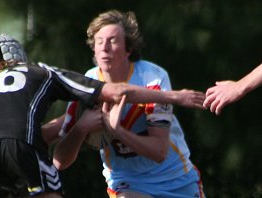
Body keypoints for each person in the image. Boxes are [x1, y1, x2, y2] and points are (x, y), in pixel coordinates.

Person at [0, 34, 205, 198]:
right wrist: (176, 97)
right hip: (21, 147)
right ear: (21, 56)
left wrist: (76, 125)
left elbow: (22, 131)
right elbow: (118, 91)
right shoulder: (40, 72)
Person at [53, 10, 205, 198]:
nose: (104, 48)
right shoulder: (87, 84)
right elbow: (59, 162)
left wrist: (118, 131)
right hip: (127, 182)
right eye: (99, 42)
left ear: (129, 48)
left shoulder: (152, 79)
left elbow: (159, 151)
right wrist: (81, 128)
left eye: (112, 41)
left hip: (176, 179)